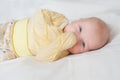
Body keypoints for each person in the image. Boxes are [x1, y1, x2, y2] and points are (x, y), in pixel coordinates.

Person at [0, 9, 110, 62]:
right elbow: (40, 14)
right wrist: (49, 30)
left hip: (12, 51)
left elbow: (42, 57)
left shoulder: (62, 52)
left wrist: (61, 43)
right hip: (11, 29)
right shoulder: (60, 20)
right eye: (80, 29)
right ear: (77, 21)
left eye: (83, 44)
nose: (76, 37)